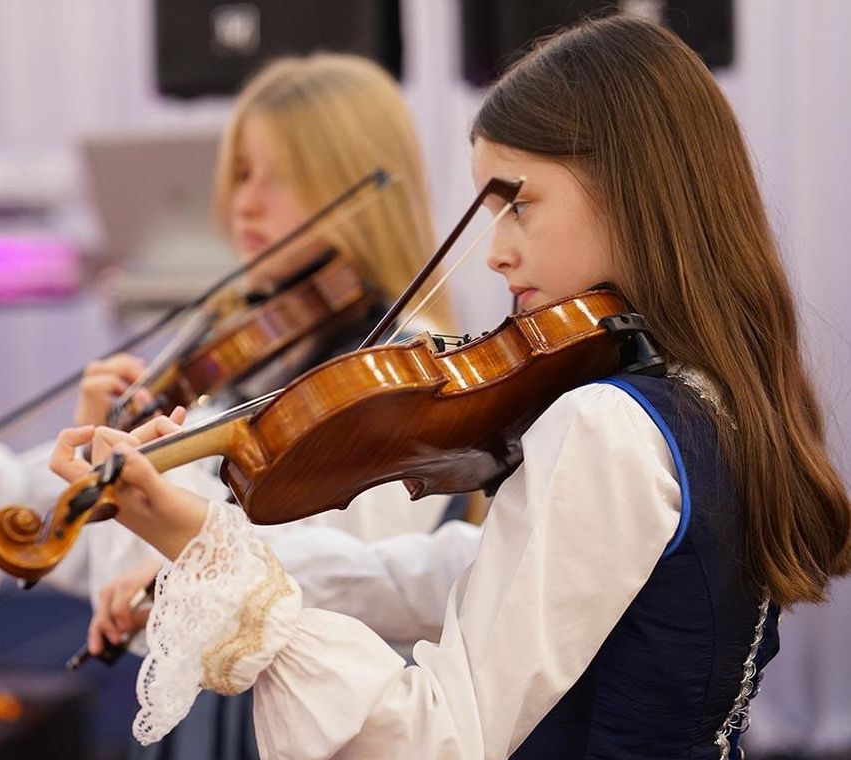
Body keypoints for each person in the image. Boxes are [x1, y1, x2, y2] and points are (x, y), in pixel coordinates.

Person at [50, 16, 851, 759]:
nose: (495, 253)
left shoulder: (608, 424)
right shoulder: (710, 399)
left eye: (518, 204)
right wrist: (211, 545)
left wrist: (221, 562)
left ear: (633, 191)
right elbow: (463, 573)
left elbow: (441, 734)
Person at [0, 53, 483, 757]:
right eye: (241, 173)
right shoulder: (250, 352)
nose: (243, 202)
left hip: (315, 715)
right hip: (213, 708)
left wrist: (179, 521)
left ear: (356, 184)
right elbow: (118, 549)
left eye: (276, 176)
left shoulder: (406, 369)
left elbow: (358, 572)